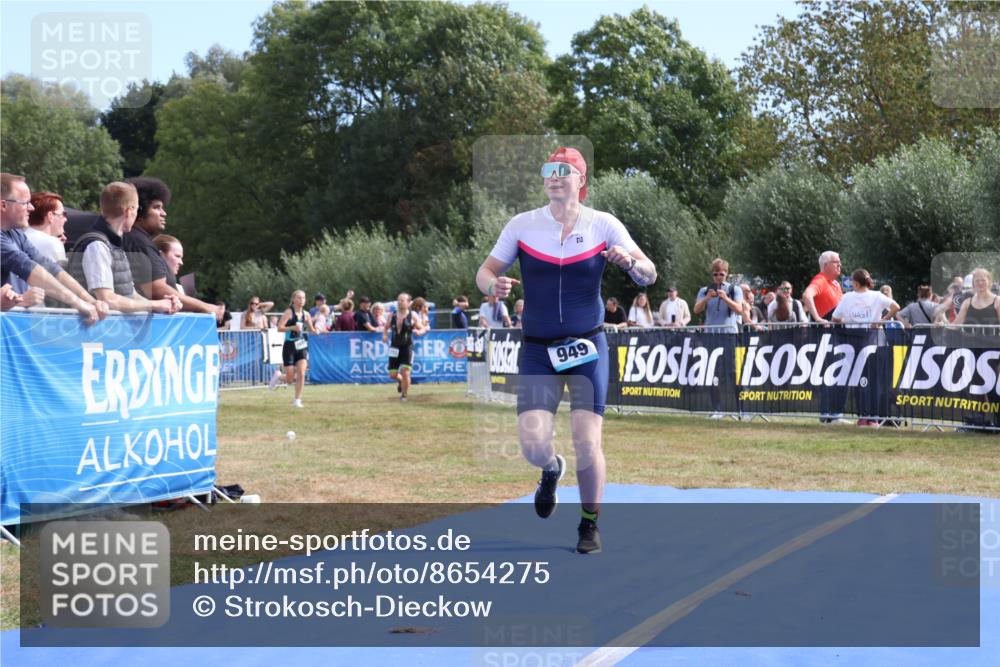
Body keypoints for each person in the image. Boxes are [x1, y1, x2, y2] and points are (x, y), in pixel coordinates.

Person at [476, 146, 656, 554]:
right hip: (539, 349)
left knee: (587, 441)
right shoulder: (522, 225)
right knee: (532, 444)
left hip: (587, 346)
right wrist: (492, 286)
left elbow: (650, 273)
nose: (554, 176)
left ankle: (589, 523)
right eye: (548, 170)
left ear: (582, 183)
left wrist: (628, 262)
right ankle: (551, 470)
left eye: (564, 170)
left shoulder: (603, 224)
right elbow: (485, 271)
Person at [2, 173, 106, 323]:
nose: (31, 208)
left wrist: (90, 301)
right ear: (3, 205)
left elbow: (49, 267)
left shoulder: (15, 233)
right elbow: (30, 270)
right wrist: (77, 302)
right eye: (24, 203)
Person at [67, 182, 179, 316]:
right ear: (129, 211)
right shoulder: (97, 246)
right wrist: (155, 304)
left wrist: (162, 305)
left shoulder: (112, 244)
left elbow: (129, 294)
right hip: (94, 334)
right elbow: (108, 300)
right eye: (137, 210)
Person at [122, 177, 224, 322]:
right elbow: (157, 290)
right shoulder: (139, 242)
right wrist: (205, 307)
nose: (164, 213)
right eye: (156, 207)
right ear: (139, 210)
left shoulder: (137, 239)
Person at [831, 268, 899, 426]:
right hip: (874, 340)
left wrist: (845, 322)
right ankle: (873, 418)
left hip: (855, 341)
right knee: (874, 381)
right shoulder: (877, 295)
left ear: (855, 283)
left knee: (858, 380)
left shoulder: (847, 297)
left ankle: (863, 416)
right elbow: (896, 306)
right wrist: (882, 320)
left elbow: (835, 318)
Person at [693, 258, 744, 418]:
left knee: (733, 372)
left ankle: (741, 409)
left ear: (726, 274)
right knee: (713, 373)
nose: (718, 278)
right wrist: (707, 298)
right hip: (711, 335)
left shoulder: (734, 289)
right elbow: (696, 310)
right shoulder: (704, 290)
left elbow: (739, 310)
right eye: (715, 274)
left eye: (721, 274)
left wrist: (726, 298)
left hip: (729, 334)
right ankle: (717, 409)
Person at [269, 290, 318, 407]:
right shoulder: (288, 313)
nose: (302, 300)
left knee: (301, 372)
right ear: (293, 300)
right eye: (299, 298)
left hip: (301, 345)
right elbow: (279, 328)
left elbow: (311, 329)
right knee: (290, 379)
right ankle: (278, 376)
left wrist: (320, 331)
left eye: (304, 298)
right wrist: (292, 327)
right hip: (289, 346)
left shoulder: (306, 314)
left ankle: (297, 400)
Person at [383, 292, 427, 402]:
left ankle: (404, 395)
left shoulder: (413, 315)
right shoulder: (392, 315)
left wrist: (419, 331)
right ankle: (400, 381)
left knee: (405, 371)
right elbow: (386, 327)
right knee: (392, 374)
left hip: (407, 346)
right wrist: (384, 335)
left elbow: (423, 328)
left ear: (408, 303)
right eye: (398, 300)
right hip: (394, 347)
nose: (399, 302)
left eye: (402, 300)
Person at [26, 191, 68, 265]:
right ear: (50, 216)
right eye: (63, 214)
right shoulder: (53, 243)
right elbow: (61, 275)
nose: (65, 219)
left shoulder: (16, 237)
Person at [802, 250, 843, 323]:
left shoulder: (836, 283)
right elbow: (806, 295)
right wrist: (818, 318)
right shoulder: (820, 280)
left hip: (835, 331)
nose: (839, 264)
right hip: (823, 331)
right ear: (825, 265)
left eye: (839, 261)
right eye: (836, 262)